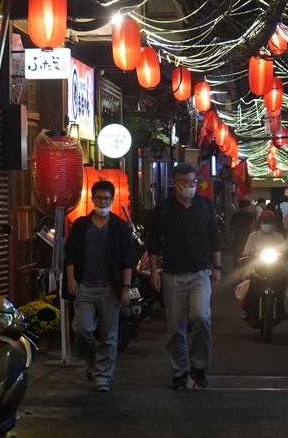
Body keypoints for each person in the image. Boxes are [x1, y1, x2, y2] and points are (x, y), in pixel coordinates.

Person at [146, 163, 222, 390]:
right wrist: (153, 271)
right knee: (175, 326)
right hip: (172, 274)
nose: (191, 186)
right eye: (186, 182)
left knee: (202, 317)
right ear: (175, 184)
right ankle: (179, 369)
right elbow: (153, 243)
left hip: (200, 272)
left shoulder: (205, 206)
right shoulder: (163, 209)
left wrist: (217, 268)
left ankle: (198, 366)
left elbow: (213, 238)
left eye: (193, 182)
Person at [64, 180, 137, 392]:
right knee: (81, 329)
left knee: (109, 335)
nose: (103, 202)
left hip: (110, 288)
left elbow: (127, 260)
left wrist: (125, 286)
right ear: (92, 199)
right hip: (84, 286)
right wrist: (71, 279)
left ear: (112, 201)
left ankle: (103, 376)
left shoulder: (119, 227)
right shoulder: (80, 225)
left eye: (106, 198)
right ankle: (93, 360)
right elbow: (70, 255)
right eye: (99, 198)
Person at [239, 211, 288, 326]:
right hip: (257, 266)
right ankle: (247, 310)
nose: (267, 224)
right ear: (260, 223)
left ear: (274, 224)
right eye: (265, 222)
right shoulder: (253, 236)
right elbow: (246, 250)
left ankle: (282, 308)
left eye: (269, 222)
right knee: (250, 285)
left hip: (276, 266)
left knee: (283, 280)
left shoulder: (278, 236)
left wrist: (286, 253)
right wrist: (246, 253)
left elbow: (285, 250)